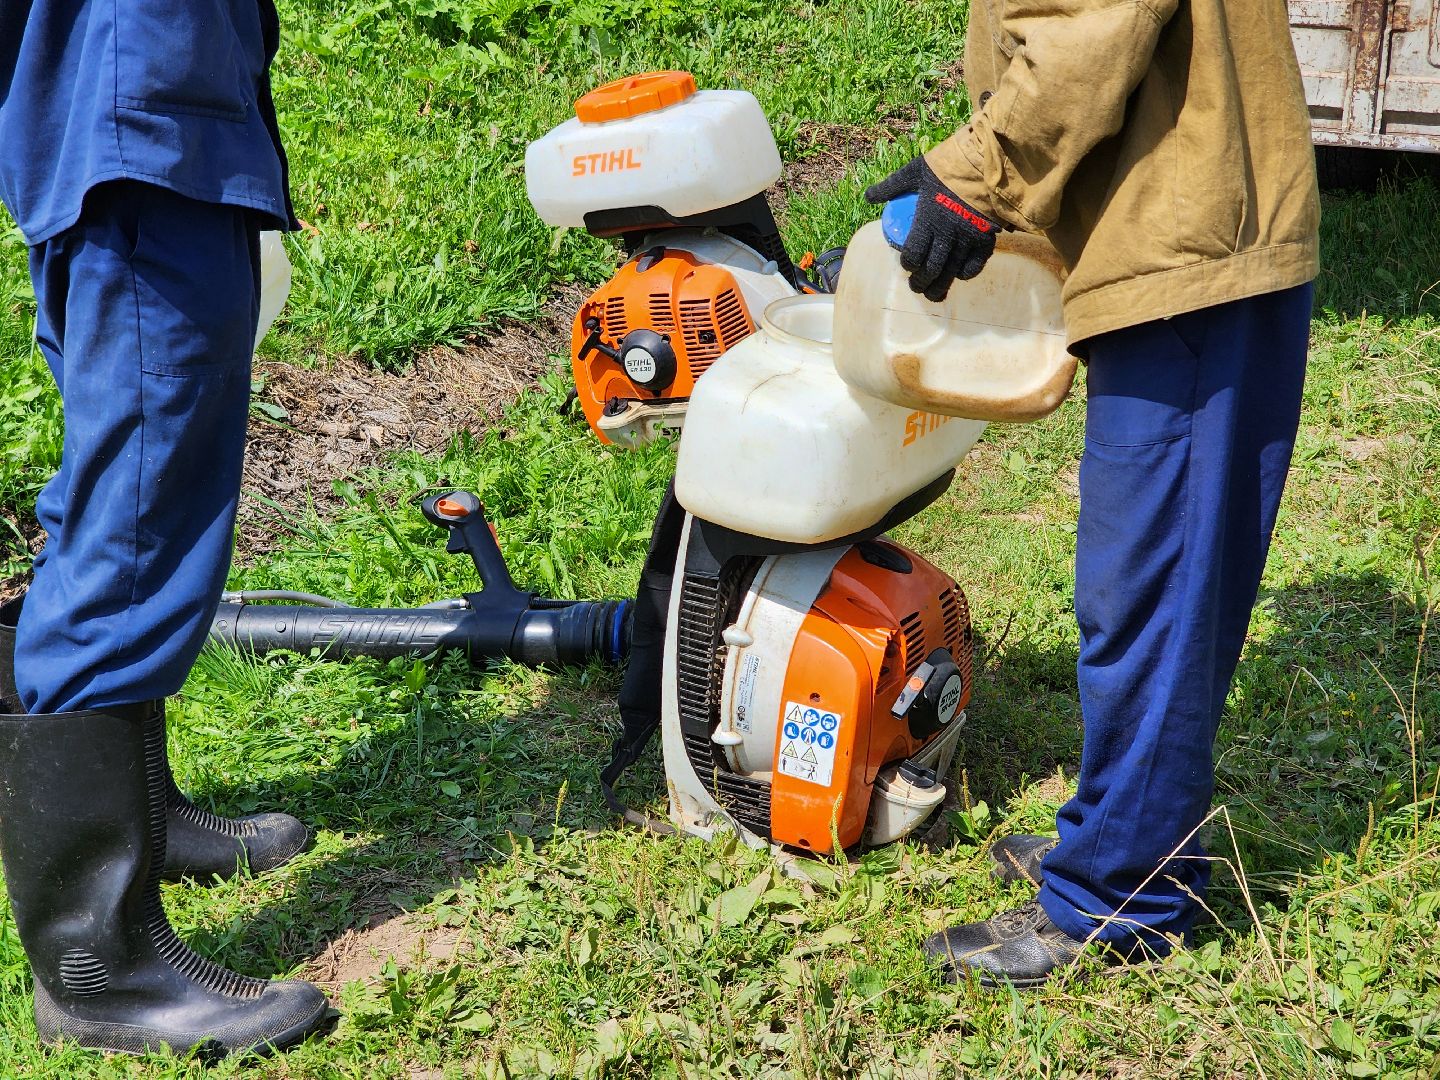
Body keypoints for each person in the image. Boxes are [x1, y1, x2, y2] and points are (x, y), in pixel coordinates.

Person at [864, 0, 1319, 985]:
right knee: (1148, 590)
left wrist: (979, 174)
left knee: (1150, 601)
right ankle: (1129, 832)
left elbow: (1087, 21)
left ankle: (1121, 897)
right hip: (1179, 213)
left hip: (1193, 243)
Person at [0, 0, 332, 1057]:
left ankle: (137, 815)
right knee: (136, 524)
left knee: (124, 495)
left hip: (146, 121)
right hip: (138, 130)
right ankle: (101, 969)